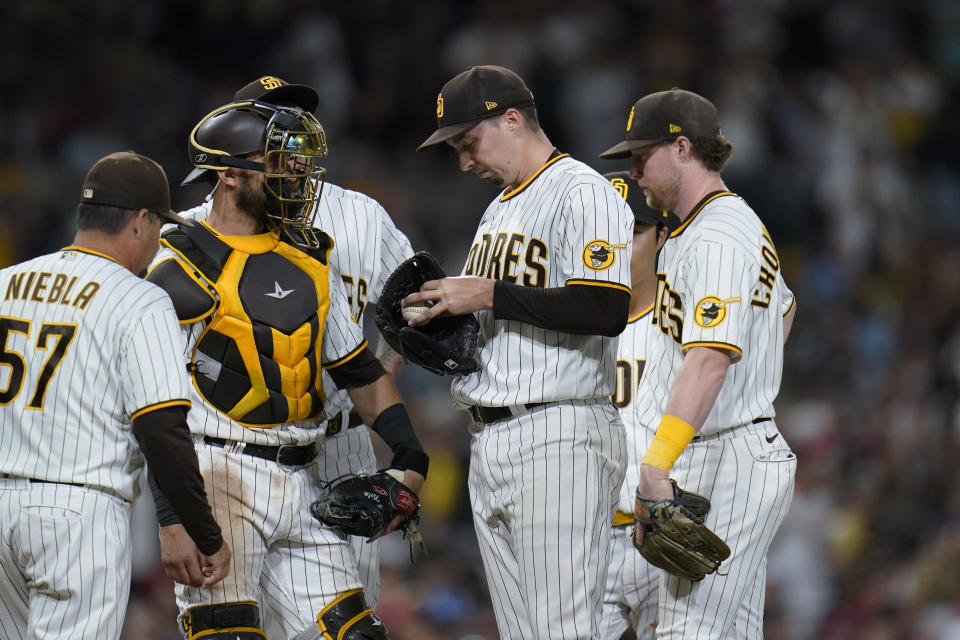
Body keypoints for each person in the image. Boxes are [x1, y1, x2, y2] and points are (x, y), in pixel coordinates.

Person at [145, 92, 427, 640]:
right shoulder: (177, 264)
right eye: (276, 164)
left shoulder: (310, 255)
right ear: (227, 175)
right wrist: (173, 515)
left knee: (360, 634)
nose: (294, 177)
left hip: (303, 479)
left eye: (296, 164)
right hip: (215, 477)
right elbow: (152, 408)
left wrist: (411, 455)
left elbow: (360, 371)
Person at [414, 65, 634, 639]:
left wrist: (487, 292)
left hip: (557, 432)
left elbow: (606, 308)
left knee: (563, 630)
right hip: (491, 438)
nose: (464, 162)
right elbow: (498, 315)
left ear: (511, 119)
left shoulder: (583, 191)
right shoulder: (500, 209)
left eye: (468, 143)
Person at [0, 151, 230, 639]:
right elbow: (162, 430)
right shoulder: (139, 298)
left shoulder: (6, 283)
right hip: (76, 514)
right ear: (141, 221)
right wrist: (202, 531)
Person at [599, 88, 797, 639]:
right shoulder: (718, 226)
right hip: (730, 446)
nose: (634, 170)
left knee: (687, 631)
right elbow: (784, 309)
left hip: (729, 456)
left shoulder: (716, 235)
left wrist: (656, 465)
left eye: (642, 155)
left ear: (682, 148)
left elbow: (709, 358)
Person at [599, 172, 677, 639]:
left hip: (666, 533)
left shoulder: (685, 322)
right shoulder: (566, 324)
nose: (617, 245)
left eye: (634, 232)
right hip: (587, 539)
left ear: (662, 235)